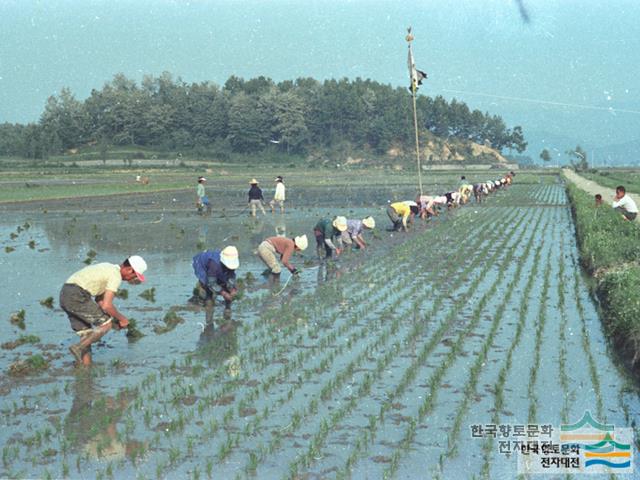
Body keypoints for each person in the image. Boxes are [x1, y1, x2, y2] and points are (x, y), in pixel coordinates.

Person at [60, 256, 148, 366]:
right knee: (106, 325)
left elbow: (100, 302)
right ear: (129, 270)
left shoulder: (107, 267)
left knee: (87, 335)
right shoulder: (115, 275)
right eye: (134, 276)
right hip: (77, 295)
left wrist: (115, 320)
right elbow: (107, 306)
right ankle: (78, 347)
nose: (132, 279)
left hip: (65, 294)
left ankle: (85, 368)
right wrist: (122, 319)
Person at [192, 246, 240, 314]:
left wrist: (232, 288)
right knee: (208, 287)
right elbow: (211, 283)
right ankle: (209, 314)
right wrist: (224, 293)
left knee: (225, 284)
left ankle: (227, 310)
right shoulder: (214, 264)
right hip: (203, 264)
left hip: (217, 268)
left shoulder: (231, 265)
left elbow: (231, 276)